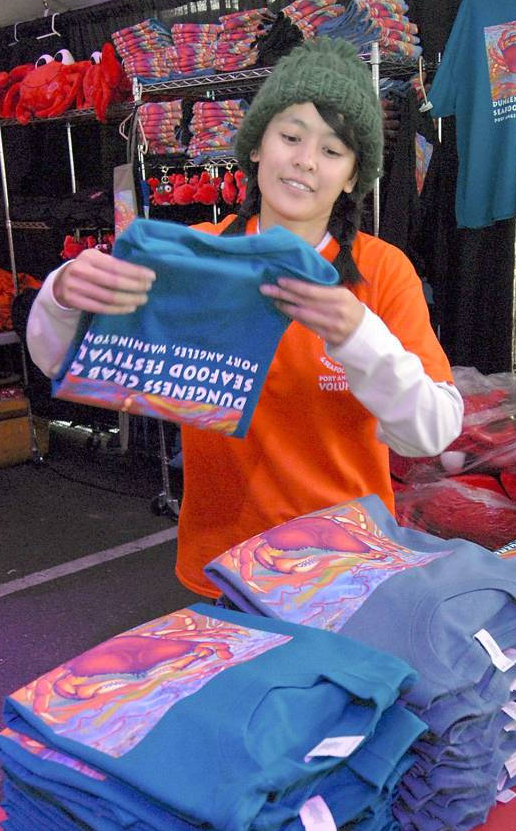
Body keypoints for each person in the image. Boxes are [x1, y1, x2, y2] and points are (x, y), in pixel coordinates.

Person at [27, 38, 463, 598]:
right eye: (291, 136)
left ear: (354, 176)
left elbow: (431, 432)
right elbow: (65, 363)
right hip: (225, 564)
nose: (306, 160)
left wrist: (359, 337)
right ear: (256, 145)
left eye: (333, 150)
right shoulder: (195, 256)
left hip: (348, 566)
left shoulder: (381, 271)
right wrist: (64, 296)